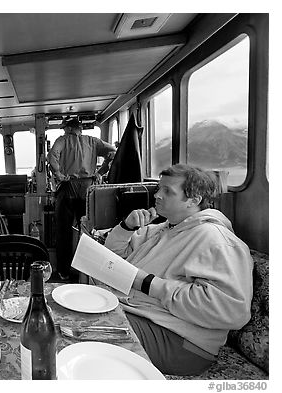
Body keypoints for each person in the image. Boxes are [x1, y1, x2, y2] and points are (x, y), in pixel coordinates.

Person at [104, 164, 253, 375]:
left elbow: (231, 310)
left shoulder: (215, 240)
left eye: (168, 191)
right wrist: (126, 228)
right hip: (142, 314)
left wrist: (148, 283)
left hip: (182, 343)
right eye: (159, 188)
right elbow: (114, 257)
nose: (157, 195)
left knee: (93, 334)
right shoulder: (164, 229)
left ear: (194, 200)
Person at [47, 118, 116, 281]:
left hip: (68, 186)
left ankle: (63, 272)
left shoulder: (62, 140)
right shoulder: (93, 141)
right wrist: (101, 171)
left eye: (65, 129)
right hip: (88, 188)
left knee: (63, 231)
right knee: (88, 232)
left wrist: (58, 174)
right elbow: (113, 152)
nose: (64, 131)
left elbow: (52, 156)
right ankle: (89, 272)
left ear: (69, 129)